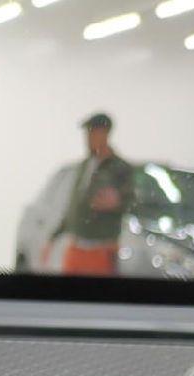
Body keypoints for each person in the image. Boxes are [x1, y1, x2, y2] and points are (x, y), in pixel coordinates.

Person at [57, 112, 135, 276]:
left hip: (101, 250)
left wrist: (117, 202)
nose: (88, 138)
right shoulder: (84, 165)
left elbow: (132, 201)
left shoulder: (120, 168)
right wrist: (54, 237)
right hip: (75, 248)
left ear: (105, 134)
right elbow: (74, 205)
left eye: (93, 132)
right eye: (87, 133)